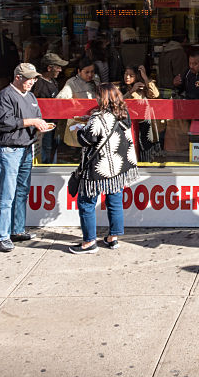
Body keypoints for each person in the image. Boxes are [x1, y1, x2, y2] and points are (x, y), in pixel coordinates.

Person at [69, 84, 140, 254]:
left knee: (86, 203)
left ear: (103, 98)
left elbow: (86, 140)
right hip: (118, 168)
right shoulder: (124, 115)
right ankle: (112, 239)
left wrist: (80, 130)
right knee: (115, 202)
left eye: (98, 96)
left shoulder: (98, 118)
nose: (96, 99)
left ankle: (89, 242)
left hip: (98, 169)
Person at [0, 63, 54, 252]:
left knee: (21, 191)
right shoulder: (5, 96)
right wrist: (33, 122)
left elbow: (35, 116)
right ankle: (2, 235)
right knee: (7, 194)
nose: (32, 82)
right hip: (9, 150)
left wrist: (40, 125)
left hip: (26, 148)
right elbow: (4, 122)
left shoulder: (31, 96)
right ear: (17, 77)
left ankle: (17, 230)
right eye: (29, 78)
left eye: (34, 78)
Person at [57, 57, 100, 155]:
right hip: (78, 123)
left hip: (94, 121)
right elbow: (60, 98)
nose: (90, 75)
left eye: (92, 72)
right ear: (79, 71)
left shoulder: (96, 80)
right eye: (87, 72)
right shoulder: (72, 83)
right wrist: (72, 102)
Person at [33, 52, 68, 163]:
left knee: (53, 148)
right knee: (45, 149)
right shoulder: (38, 84)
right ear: (49, 68)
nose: (60, 70)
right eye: (58, 67)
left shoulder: (53, 82)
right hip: (44, 124)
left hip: (53, 123)